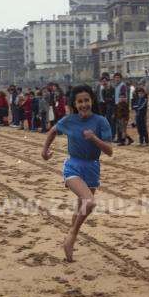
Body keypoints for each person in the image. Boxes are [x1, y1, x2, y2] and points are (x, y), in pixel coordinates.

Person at [41, 84, 112, 262]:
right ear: (74, 103)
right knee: (89, 202)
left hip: (92, 168)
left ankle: (69, 240)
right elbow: (53, 131)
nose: (83, 104)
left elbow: (109, 151)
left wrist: (94, 138)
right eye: (79, 102)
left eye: (86, 100)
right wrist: (44, 150)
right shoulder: (68, 120)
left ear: (92, 101)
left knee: (81, 207)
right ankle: (72, 235)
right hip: (73, 166)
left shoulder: (101, 121)